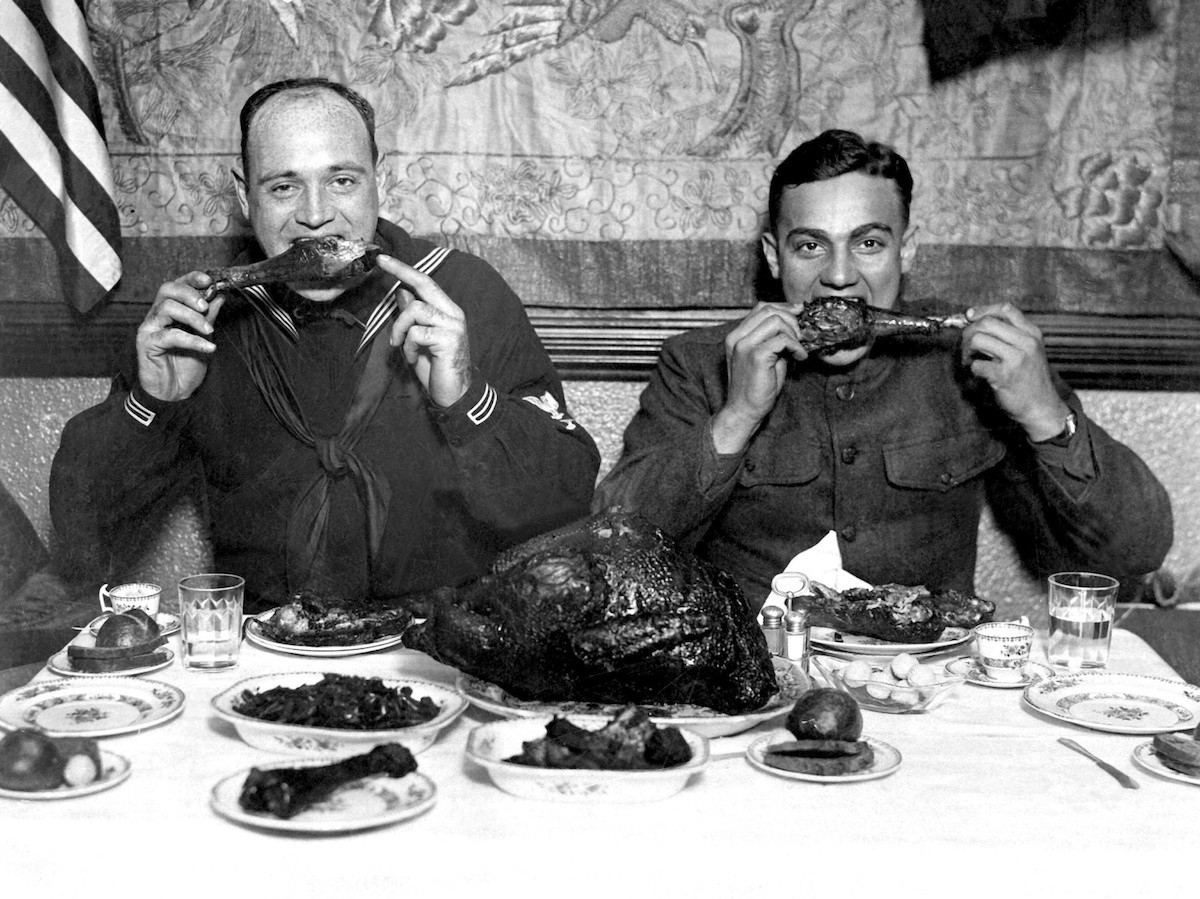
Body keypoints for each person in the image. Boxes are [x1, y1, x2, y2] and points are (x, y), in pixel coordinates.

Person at [50, 77, 600, 613]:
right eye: (283, 187)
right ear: (244, 195)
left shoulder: (465, 293)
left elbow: (562, 506)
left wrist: (467, 401)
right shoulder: (200, 321)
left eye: (342, 180)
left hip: (442, 639)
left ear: (380, 179)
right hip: (265, 646)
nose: (315, 216)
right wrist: (151, 405)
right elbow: (81, 538)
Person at [594, 129, 1172, 612]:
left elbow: (1134, 552)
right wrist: (738, 415)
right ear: (773, 256)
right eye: (810, 246)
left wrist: (1046, 413)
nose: (839, 276)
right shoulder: (698, 363)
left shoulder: (972, 360)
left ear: (906, 249)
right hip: (758, 672)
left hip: (929, 679)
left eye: (868, 243)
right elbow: (611, 553)